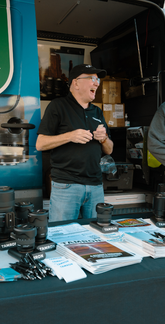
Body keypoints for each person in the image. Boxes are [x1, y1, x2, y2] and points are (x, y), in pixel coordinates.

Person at [36, 64, 114, 222]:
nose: (97, 84)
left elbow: (109, 150)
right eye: (92, 79)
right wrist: (69, 136)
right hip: (66, 186)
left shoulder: (97, 112)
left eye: (97, 80)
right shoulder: (58, 106)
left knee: (97, 233)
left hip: (95, 185)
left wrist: (104, 138)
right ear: (76, 83)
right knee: (62, 232)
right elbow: (40, 144)